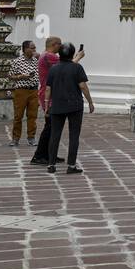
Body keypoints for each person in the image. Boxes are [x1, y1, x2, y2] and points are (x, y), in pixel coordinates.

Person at [31, 37, 86, 168]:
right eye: (60, 45)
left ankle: (50, 155)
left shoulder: (45, 55)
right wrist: (78, 57)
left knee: (51, 128)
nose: (61, 48)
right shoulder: (49, 56)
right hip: (50, 96)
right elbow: (68, 66)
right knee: (50, 128)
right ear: (54, 45)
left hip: (52, 94)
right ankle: (39, 155)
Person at [43, 42, 94, 174]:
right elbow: (83, 86)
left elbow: (48, 89)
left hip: (57, 105)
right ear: (73, 54)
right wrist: (90, 101)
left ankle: (51, 164)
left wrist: (47, 104)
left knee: (55, 135)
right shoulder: (77, 68)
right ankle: (71, 165)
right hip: (74, 105)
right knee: (74, 136)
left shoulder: (53, 69)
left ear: (59, 54)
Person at [7, 40, 40, 146]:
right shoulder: (17, 61)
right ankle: (15, 138)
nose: (34, 50)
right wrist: (21, 76)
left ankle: (31, 137)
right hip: (21, 90)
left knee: (32, 115)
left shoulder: (36, 60)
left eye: (35, 48)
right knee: (18, 115)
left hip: (34, 90)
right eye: (32, 48)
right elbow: (10, 76)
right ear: (25, 49)